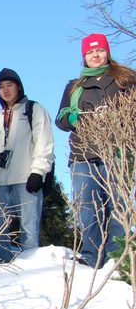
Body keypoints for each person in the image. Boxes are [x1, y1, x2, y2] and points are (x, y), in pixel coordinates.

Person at [56, 33, 136, 268]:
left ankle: (116, 257)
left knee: (118, 205)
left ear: (107, 52)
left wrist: (118, 119)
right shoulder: (74, 87)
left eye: (99, 50)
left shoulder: (125, 79)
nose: (95, 55)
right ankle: (90, 255)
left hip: (117, 152)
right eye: (90, 52)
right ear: (84, 56)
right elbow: (61, 118)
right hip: (83, 154)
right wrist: (75, 118)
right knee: (87, 206)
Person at [0, 68, 54, 263]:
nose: (5, 90)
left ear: (19, 87)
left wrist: (38, 171)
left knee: (29, 230)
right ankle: (0, 268)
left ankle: (30, 269)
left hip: (26, 179)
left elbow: (44, 142)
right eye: (1, 87)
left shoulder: (34, 109)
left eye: (9, 85)